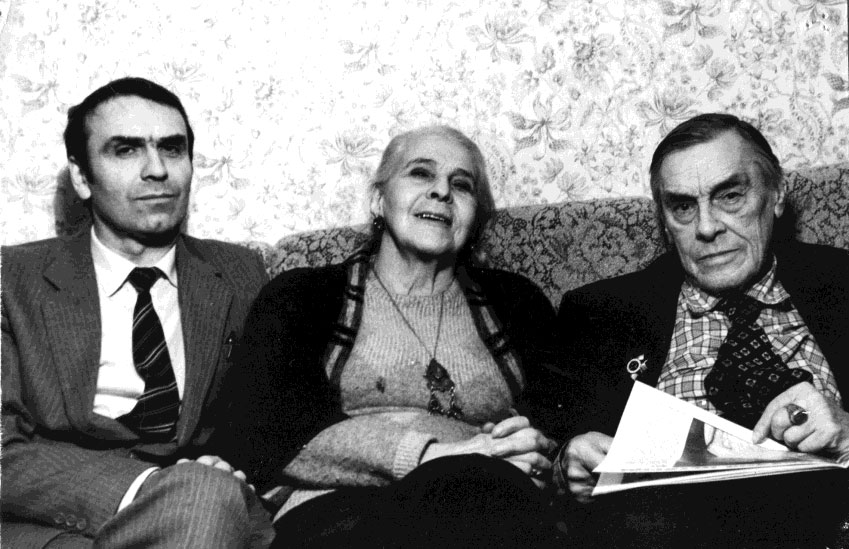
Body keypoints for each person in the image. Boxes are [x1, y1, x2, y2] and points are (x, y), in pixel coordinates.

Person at [221, 125, 568, 547]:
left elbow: (558, 430)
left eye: (462, 184)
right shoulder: (303, 296)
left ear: (475, 216)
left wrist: (534, 453)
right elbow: (265, 438)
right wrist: (436, 455)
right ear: (378, 200)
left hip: (487, 507)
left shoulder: (517, 302)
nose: (442, 191)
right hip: (341, 513)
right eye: (421, 173)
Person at [555, 113, 849, 547]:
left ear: (777, 193)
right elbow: (554, 449)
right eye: (683, 207)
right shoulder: (600, 313)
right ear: (663, 220)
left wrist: (846, 432)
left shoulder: (842, 281)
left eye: (730, 196)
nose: (707, 227)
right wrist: (567, 461)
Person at [1, 77, 272, 548]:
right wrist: (147, 487)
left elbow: (265, 418)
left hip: (205, 514)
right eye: (126, 150)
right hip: (55, 521)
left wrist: (222, 471)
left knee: (209, 499)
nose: (157, 170)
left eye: (172, 148)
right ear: (82, 177)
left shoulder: (240, 273)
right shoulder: (12, 279)